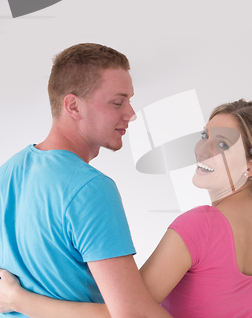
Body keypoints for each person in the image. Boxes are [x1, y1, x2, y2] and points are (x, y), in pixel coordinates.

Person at [1, 99, 252, 317]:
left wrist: (16, 299)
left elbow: (125, 312)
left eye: (222, 145)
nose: (202, 150)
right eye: (205, 136)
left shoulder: (201, 227)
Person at [0, 43, 173, 318]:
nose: (131, 113)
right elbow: (132, 314)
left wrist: (18, 300)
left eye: (129, 100)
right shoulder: (90, 188)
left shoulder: (6, 173)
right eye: (118, 102)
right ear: (73, 105)